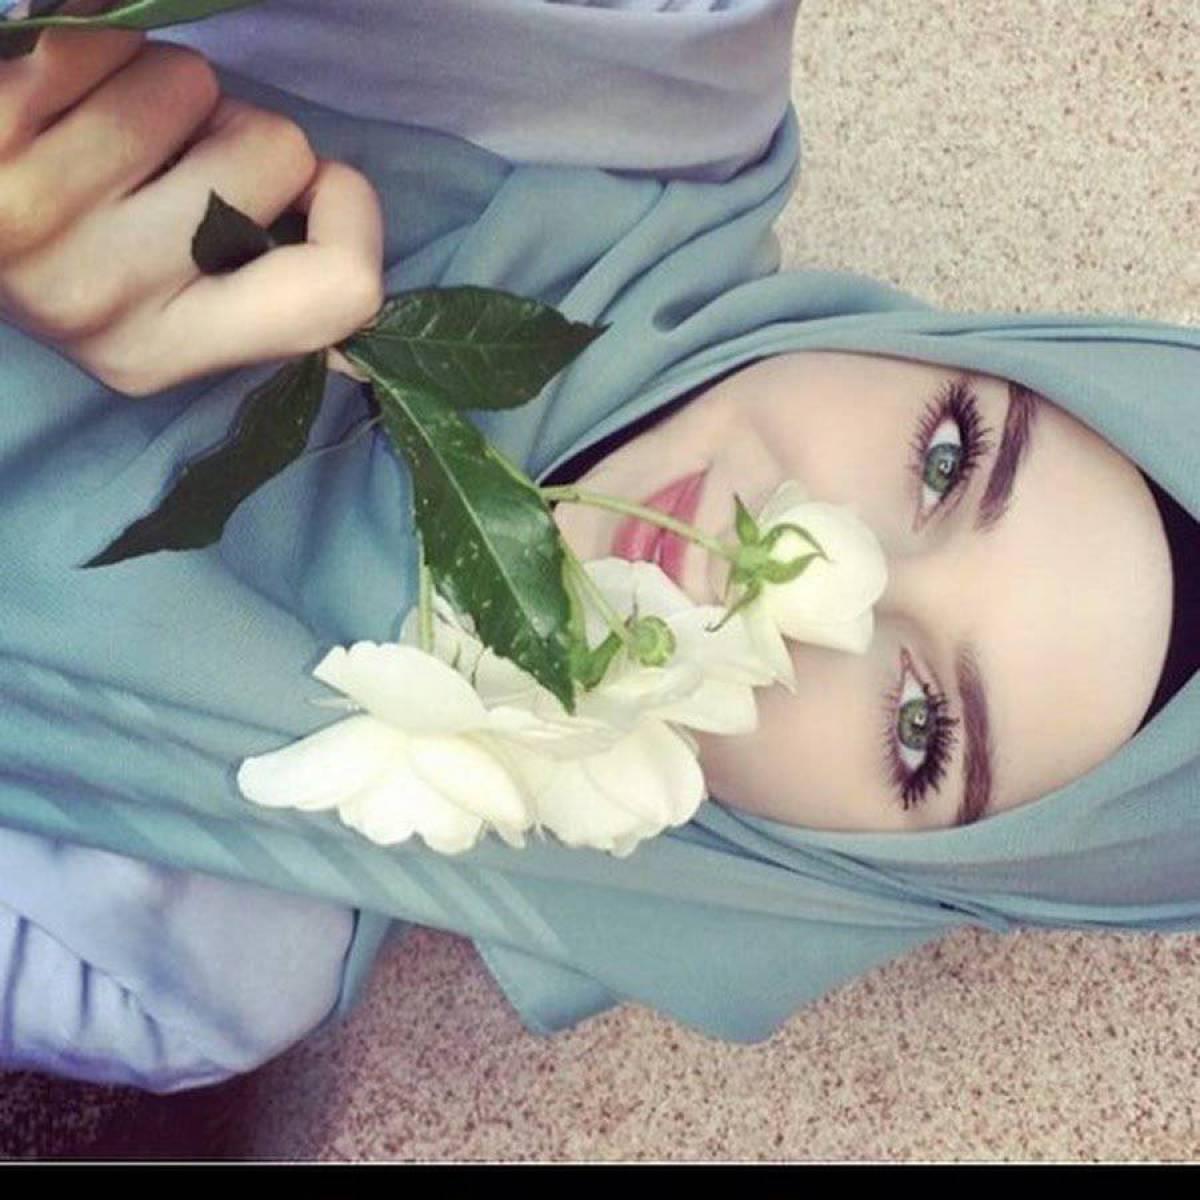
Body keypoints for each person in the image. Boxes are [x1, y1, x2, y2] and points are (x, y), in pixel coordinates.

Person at [0, 0, 1196, 1093]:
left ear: (843, 875)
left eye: (921, 731)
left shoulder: (188, 952)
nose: (771, 566)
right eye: (947, 458)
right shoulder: (639, 48)